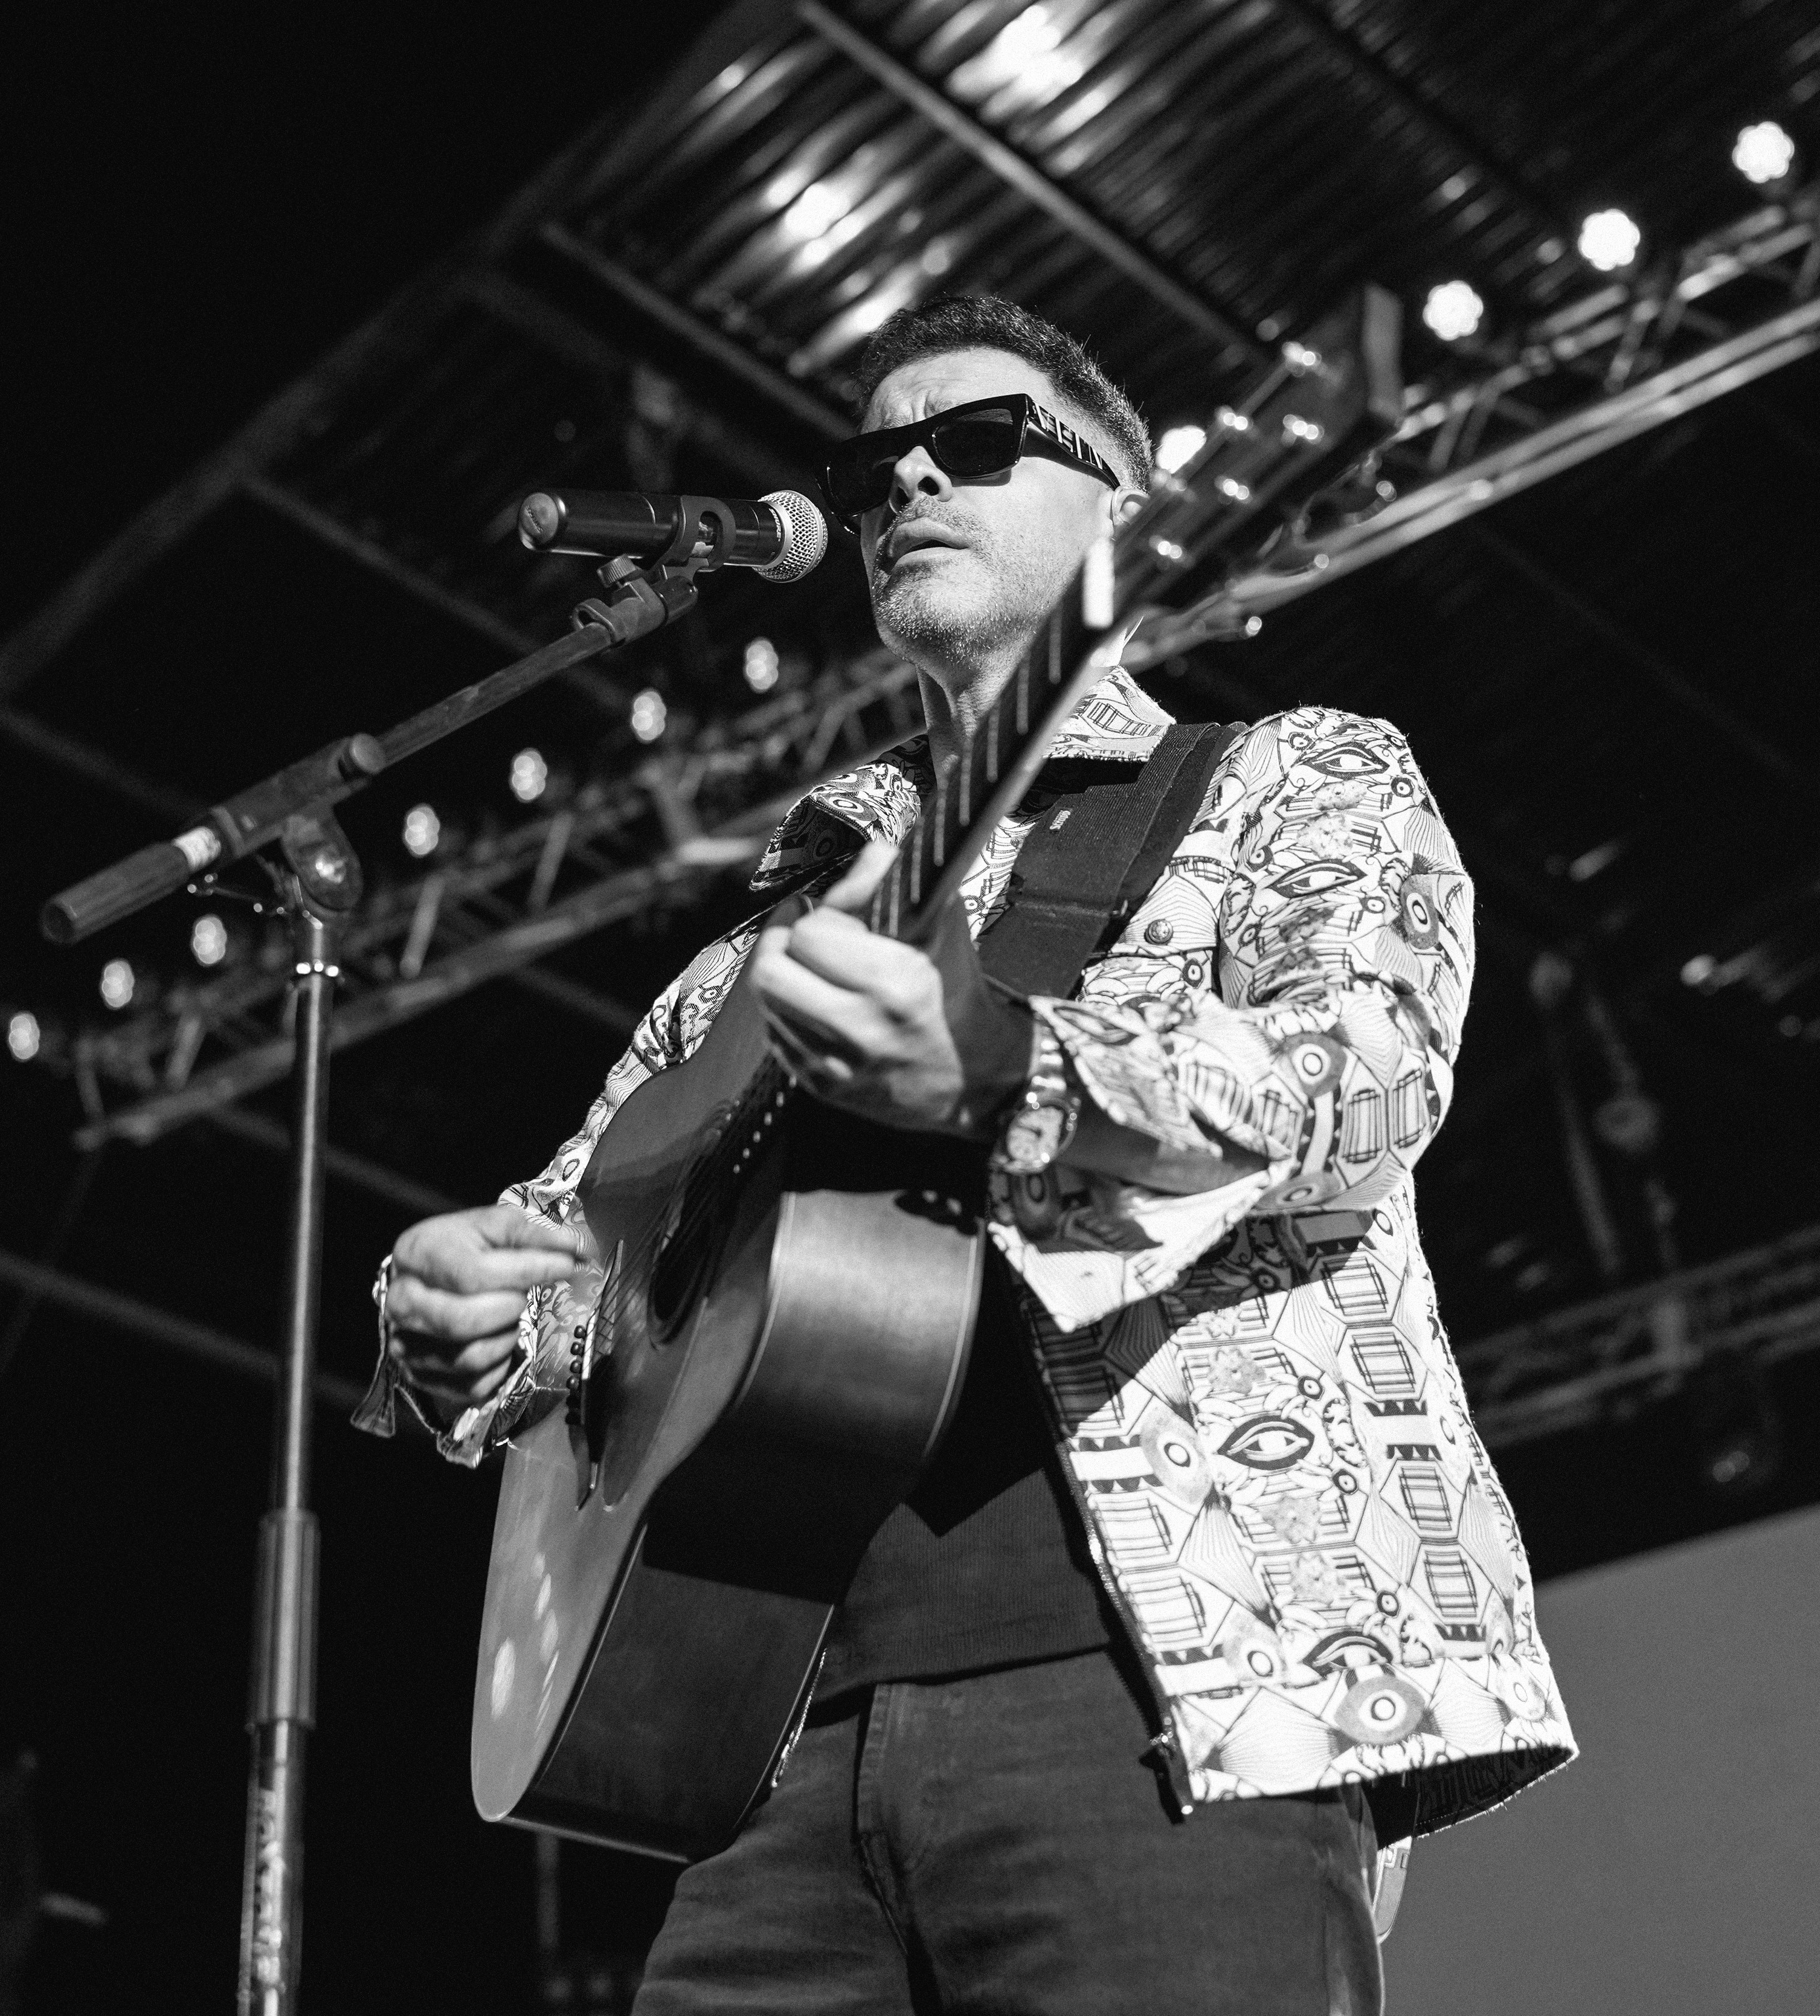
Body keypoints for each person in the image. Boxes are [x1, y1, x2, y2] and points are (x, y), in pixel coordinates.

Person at [357, 295, 1574, 2012]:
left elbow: (1361, 1086)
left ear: (1132, 501)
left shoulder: (1286, 783)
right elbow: (575, 1256)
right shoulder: (759, 951)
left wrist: (1005, 1068)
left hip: (1169, 1709)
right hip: (762, 1750)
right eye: (872, 468)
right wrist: (462, 1321)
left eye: (978, 441)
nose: (908, 481)